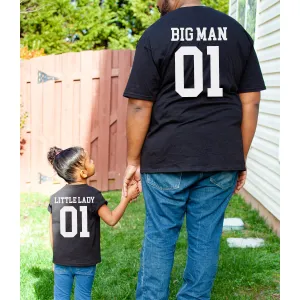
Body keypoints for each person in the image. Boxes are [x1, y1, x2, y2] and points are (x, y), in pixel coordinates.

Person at [122, 0, 266, 299]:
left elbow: (139, 104)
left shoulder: (156, 34)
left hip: (166, 156)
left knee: (160, 237)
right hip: (220, 157)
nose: (155, 1)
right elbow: (250, 102)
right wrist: (239, 158)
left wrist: (133, 160)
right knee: (206, 240)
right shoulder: (236, 32)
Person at [47, 146, 139, 300]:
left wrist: (55, 256)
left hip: (61, 261)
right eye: (89, 160)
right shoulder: (93, 195)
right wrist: (126, 198)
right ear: (83, 173)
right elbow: (111, 219)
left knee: (60, 297)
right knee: (83, 296)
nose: (93, 161)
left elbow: (51, 231)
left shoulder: (55, 198)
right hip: (86, 261)